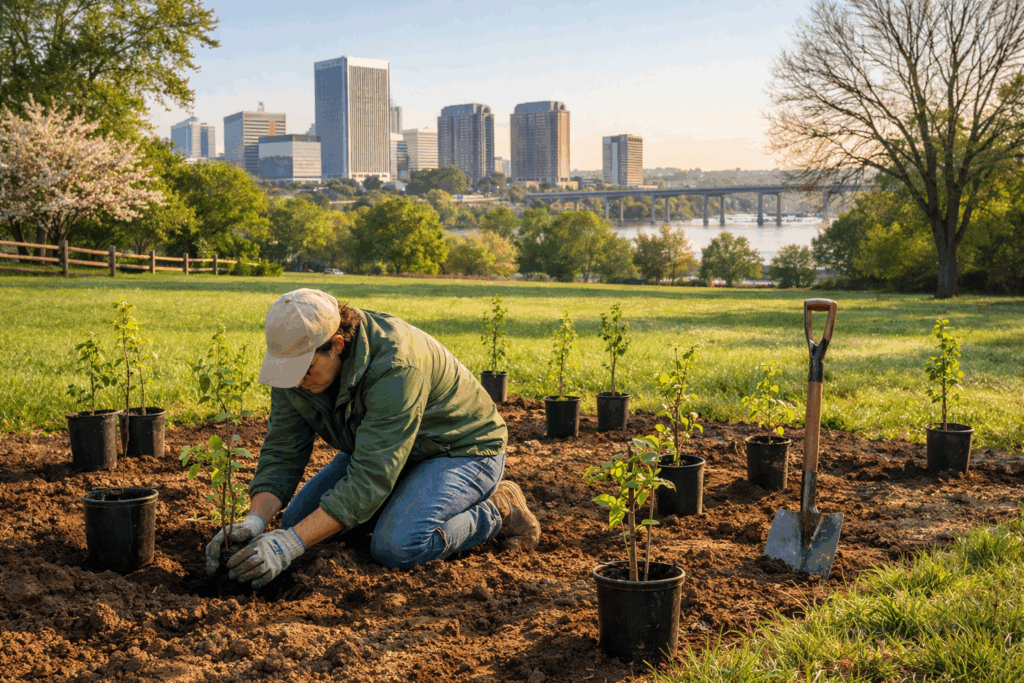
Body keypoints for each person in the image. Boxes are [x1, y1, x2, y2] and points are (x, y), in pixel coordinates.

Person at [206, 288, 540, 588]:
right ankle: (405, 502)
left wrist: (289, 545)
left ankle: (497, 510)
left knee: (397, 546)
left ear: (336, 345)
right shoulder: (294, 368)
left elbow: (370, 477)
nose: (295, 383)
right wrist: (256, 520)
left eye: (304, 371)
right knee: (296, 522)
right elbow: (283, 449)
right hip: (389, 451)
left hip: (460, 450)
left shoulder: (395, 367)